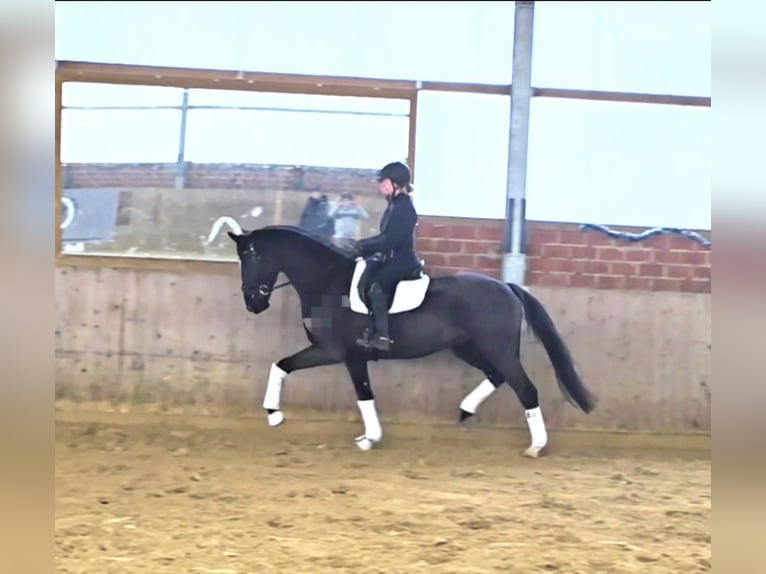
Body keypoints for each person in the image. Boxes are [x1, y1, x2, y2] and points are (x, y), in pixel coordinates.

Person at [351, 161, 420, 352]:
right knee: (365, 279)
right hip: (391, 257)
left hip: (402, 260)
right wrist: (362, 246)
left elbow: (390, 239)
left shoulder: (403, 207)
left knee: (376, 286)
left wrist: (364, 246)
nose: (381, 185)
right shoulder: (394, 205)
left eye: (384, 182)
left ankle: (382, 335)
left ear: (396, 183)